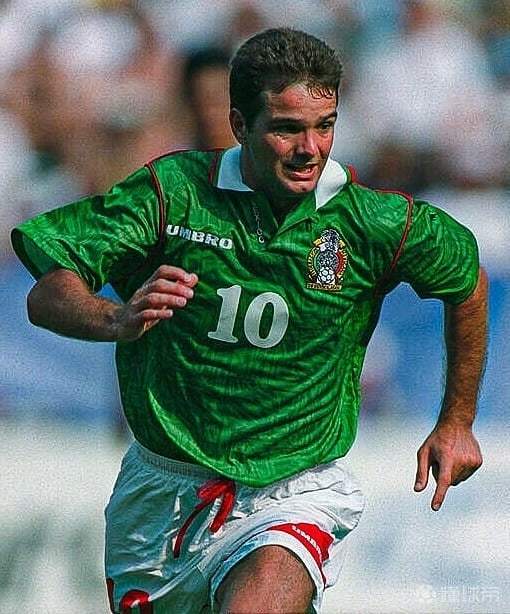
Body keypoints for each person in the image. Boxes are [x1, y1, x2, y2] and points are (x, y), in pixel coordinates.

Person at [11, 28, 487, 614]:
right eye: (287, 128)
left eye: (325, 126)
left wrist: (457, 420)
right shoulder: (172, 194)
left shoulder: (371, 221)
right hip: (163, 494)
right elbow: (48, 293)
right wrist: (116, 318)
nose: (310, 148)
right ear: (240, 125)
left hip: (291, 491)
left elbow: (466, 278)